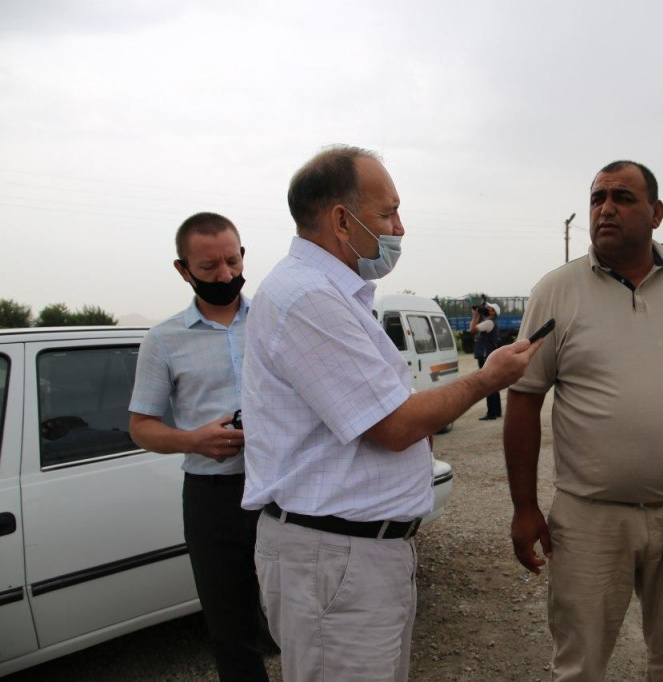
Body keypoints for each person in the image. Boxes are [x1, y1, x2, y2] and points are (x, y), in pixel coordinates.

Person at [241, 145, 542, 681]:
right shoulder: (308, 297)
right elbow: (395, 425)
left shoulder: (334, 294)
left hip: (352, 554)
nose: (399, 228)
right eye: (387, 214)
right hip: (335, 557)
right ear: (340, 219)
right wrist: (487, 378)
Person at [504, 160, 663, 681]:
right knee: (579, 664)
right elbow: (525, 401)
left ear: (657, 212)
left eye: (622, 197)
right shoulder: (556, 291)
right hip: (589, 519)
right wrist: (525, 506)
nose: (605, 208)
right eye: (598, 197)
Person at [129, 212, 269, 682]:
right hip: (213, 499)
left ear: (243, 255)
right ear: (182, 269)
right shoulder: (163, 339)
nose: (225, 276)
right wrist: (193, 440)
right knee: (231, 628)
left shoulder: (276, 320)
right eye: (209, 268)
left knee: (299, 612)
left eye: (232, 261)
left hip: (283, 488)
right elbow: (141, 427)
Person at [470, 300, 503, 420]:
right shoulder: (489, 321)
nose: (487, 309)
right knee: (493, 384)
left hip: (485, 356)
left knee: (487, 384)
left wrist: (475, 316)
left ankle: (491, 413)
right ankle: (497, 411)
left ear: (494, 313)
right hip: (489, 355)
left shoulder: (489, 322)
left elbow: (472, 330)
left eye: (490, 308)